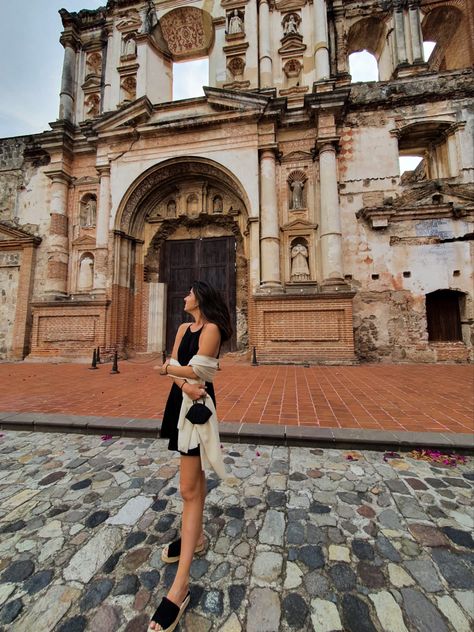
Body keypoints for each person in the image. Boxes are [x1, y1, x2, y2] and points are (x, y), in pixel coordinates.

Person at [148, 280, 232, 632]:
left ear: (200, 298)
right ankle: (195, 538)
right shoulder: (183, 327)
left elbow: (198, 371)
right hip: (180, 401)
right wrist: (177, 376)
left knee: (187, 489)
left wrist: (171, 370)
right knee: (193, 484)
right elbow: (178, 369)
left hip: (198, 408)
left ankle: (179, 588)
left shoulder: (212, 330)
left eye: (188, 293)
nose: (183, 297)